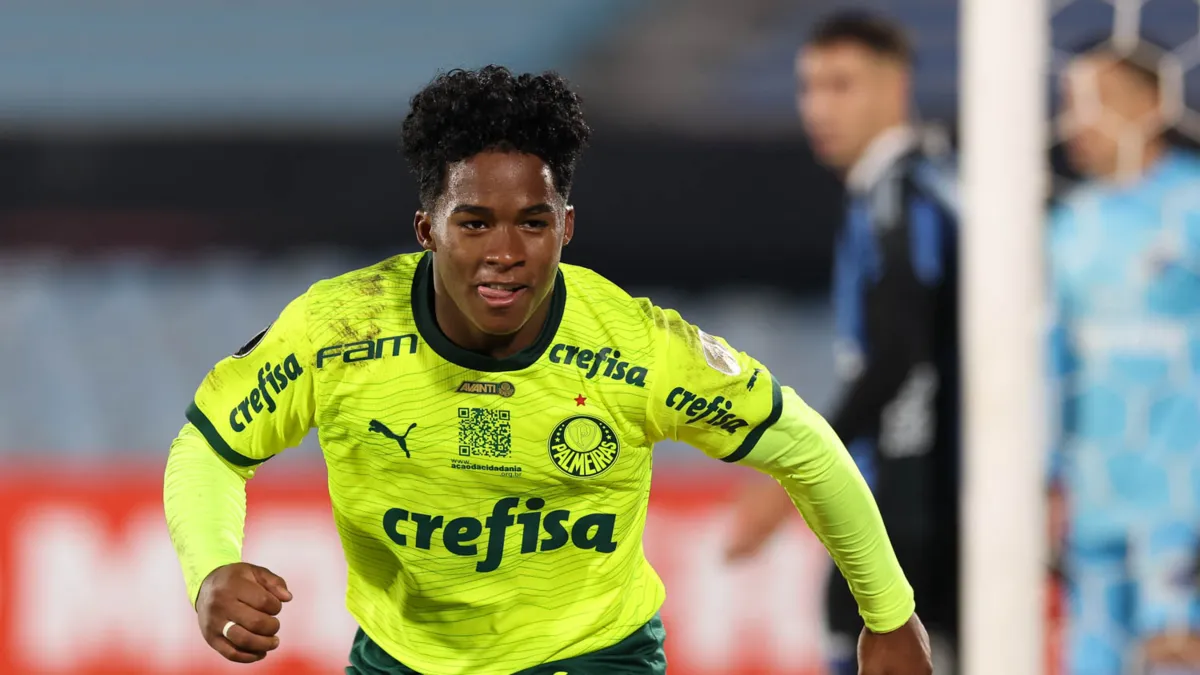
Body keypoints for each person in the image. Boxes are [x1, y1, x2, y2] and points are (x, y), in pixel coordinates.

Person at [162, 66, 933, 675]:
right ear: (427, 227)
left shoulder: (637, 349)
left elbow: (806, 447)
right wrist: (210, 566)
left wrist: (889, 616)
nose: (505, 251)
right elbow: (209, 448)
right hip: (404, 660)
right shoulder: (339, 329)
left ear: (565, 226)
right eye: (474, 223)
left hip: (593, 657)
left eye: (533, 222)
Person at [722, 12, 960, 675]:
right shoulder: (929, 182)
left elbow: (898, 352)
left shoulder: (896, 196)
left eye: (840, 84)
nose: (818, 106)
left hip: (910, 499)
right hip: (937, 497)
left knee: (859, 635)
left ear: (895, 87)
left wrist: (792, 473)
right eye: (808, 87)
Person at [1049, 41, 1200, 675]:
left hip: (1183, 501)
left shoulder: (1192, 205)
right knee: (1092, 660)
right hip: (1096, 492)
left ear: (1152, 102)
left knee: (1171, 657)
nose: (1079, 120)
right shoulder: (1068, 226)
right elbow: (1050, 365)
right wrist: (1046, 475)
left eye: (1097, 101)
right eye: (1069, 103)